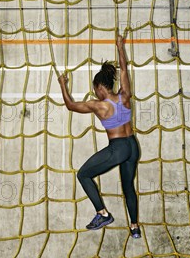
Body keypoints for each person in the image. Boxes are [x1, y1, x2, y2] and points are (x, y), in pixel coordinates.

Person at [58, 33, 141, 238]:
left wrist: (62, 84)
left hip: (118, 148)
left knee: (83, 174)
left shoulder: (99, 105)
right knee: (128, 186)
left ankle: (102, 214)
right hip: (133, 146)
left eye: (94, 89)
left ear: (99, 87)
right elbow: (124, 68)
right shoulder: (124, 95)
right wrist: (120, 47)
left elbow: (70, 106)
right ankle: (134, 227)